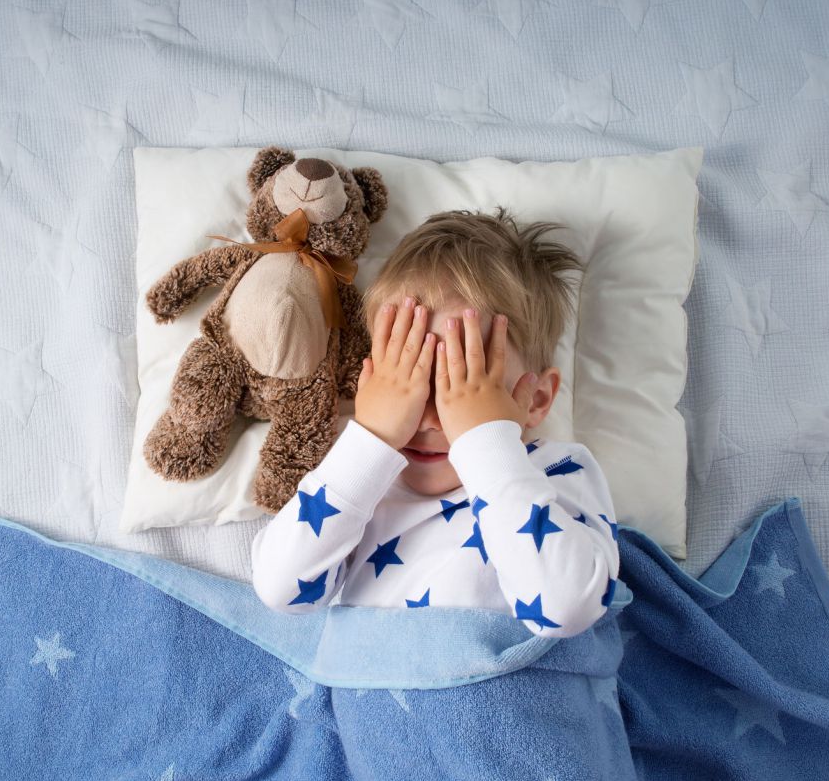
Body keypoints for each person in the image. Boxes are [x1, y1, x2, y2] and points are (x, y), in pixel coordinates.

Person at [250, 208, 625, 638]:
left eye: (463, 388)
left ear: (536, 400)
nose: (426, 419)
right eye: (407, 385)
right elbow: (281, 589)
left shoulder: (555, 471)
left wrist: (486, 445)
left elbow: (565, 608)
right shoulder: (361, 485)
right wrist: (373, 439)